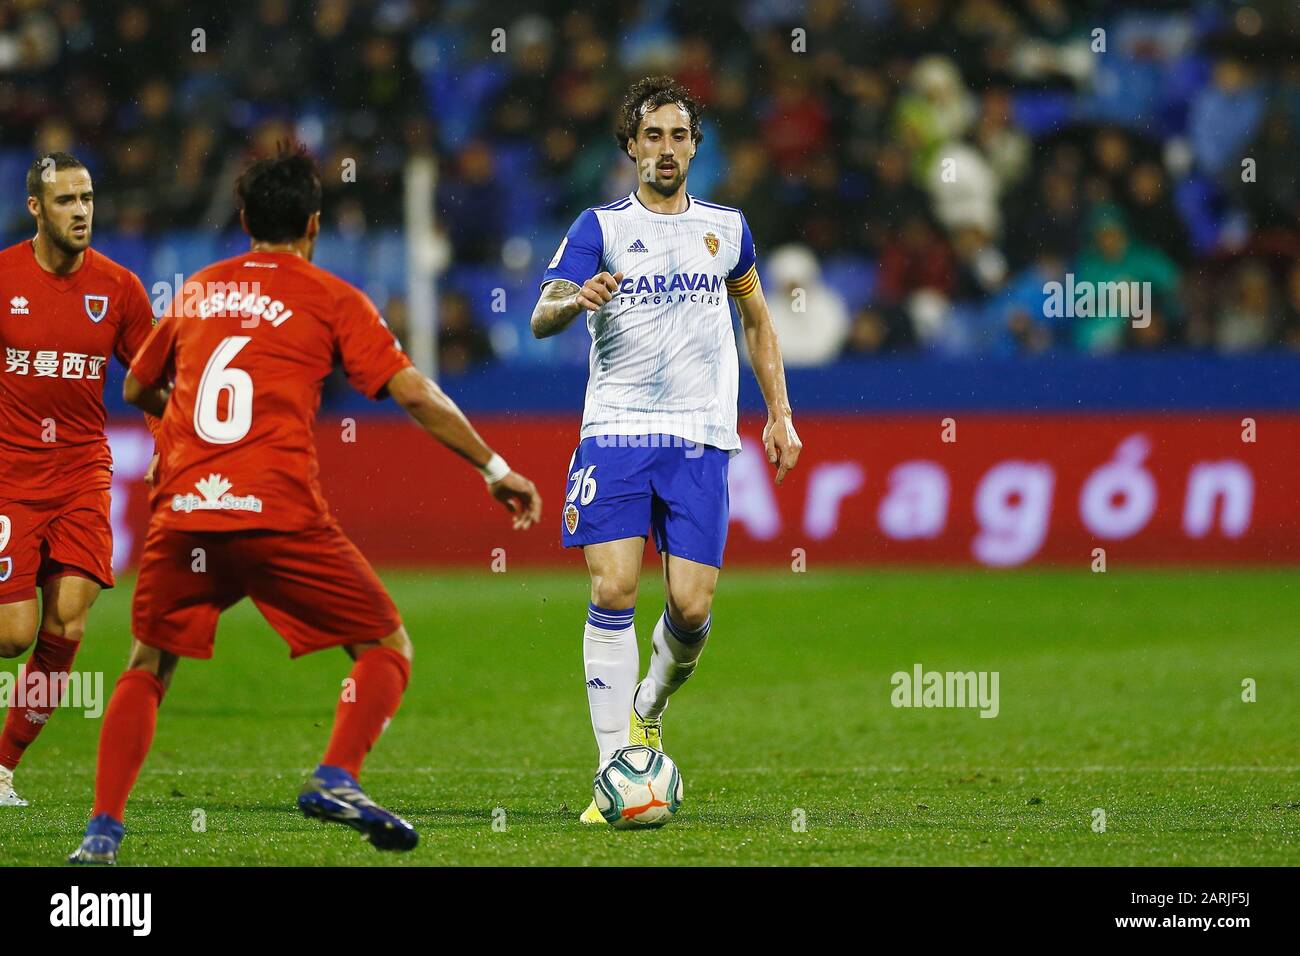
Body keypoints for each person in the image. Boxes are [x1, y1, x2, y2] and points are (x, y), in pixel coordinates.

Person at [68, 148, 542, 863]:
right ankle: (337, 775)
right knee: (385, 646)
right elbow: (412, 390)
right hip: (278, 512)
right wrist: (495, 466)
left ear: (244, 220)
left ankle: (101, 832)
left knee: (147, 666)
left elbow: (135, 388)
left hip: (187, 513)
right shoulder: (331, 296)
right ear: (314, 225)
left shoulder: (196, 290)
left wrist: (183, 420)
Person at [529, 76, 801, 824]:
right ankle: (613, 768)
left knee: (690, 603)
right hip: (615, 432)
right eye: (653, 136)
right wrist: (572, 300)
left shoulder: (727, 229)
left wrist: (779, 412)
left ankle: (649, 701)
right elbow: (540, 315)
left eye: (679, 136)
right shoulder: (600, 227)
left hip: (700, 437)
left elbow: (757, 322)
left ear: (695, 147)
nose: (667, 149)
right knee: (613, 590)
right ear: (629, 147)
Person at [0, 152, 159, 806]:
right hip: (9, 474)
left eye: (87, 198)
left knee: (67, 621)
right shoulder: (2, 276)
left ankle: (3, 766)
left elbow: (154, 381)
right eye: (66, 201)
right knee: (12, 635)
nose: (82, 211)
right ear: (36, 208)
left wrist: (172, 440)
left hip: (82, 472)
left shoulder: (119, 288)